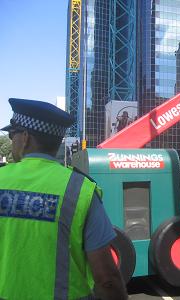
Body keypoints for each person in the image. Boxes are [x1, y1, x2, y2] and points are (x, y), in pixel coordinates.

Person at [0, 98, 128, 300]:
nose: (11, 139)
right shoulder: (80, 189)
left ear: (25, 137)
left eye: (11, 134)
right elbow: (107, 279)